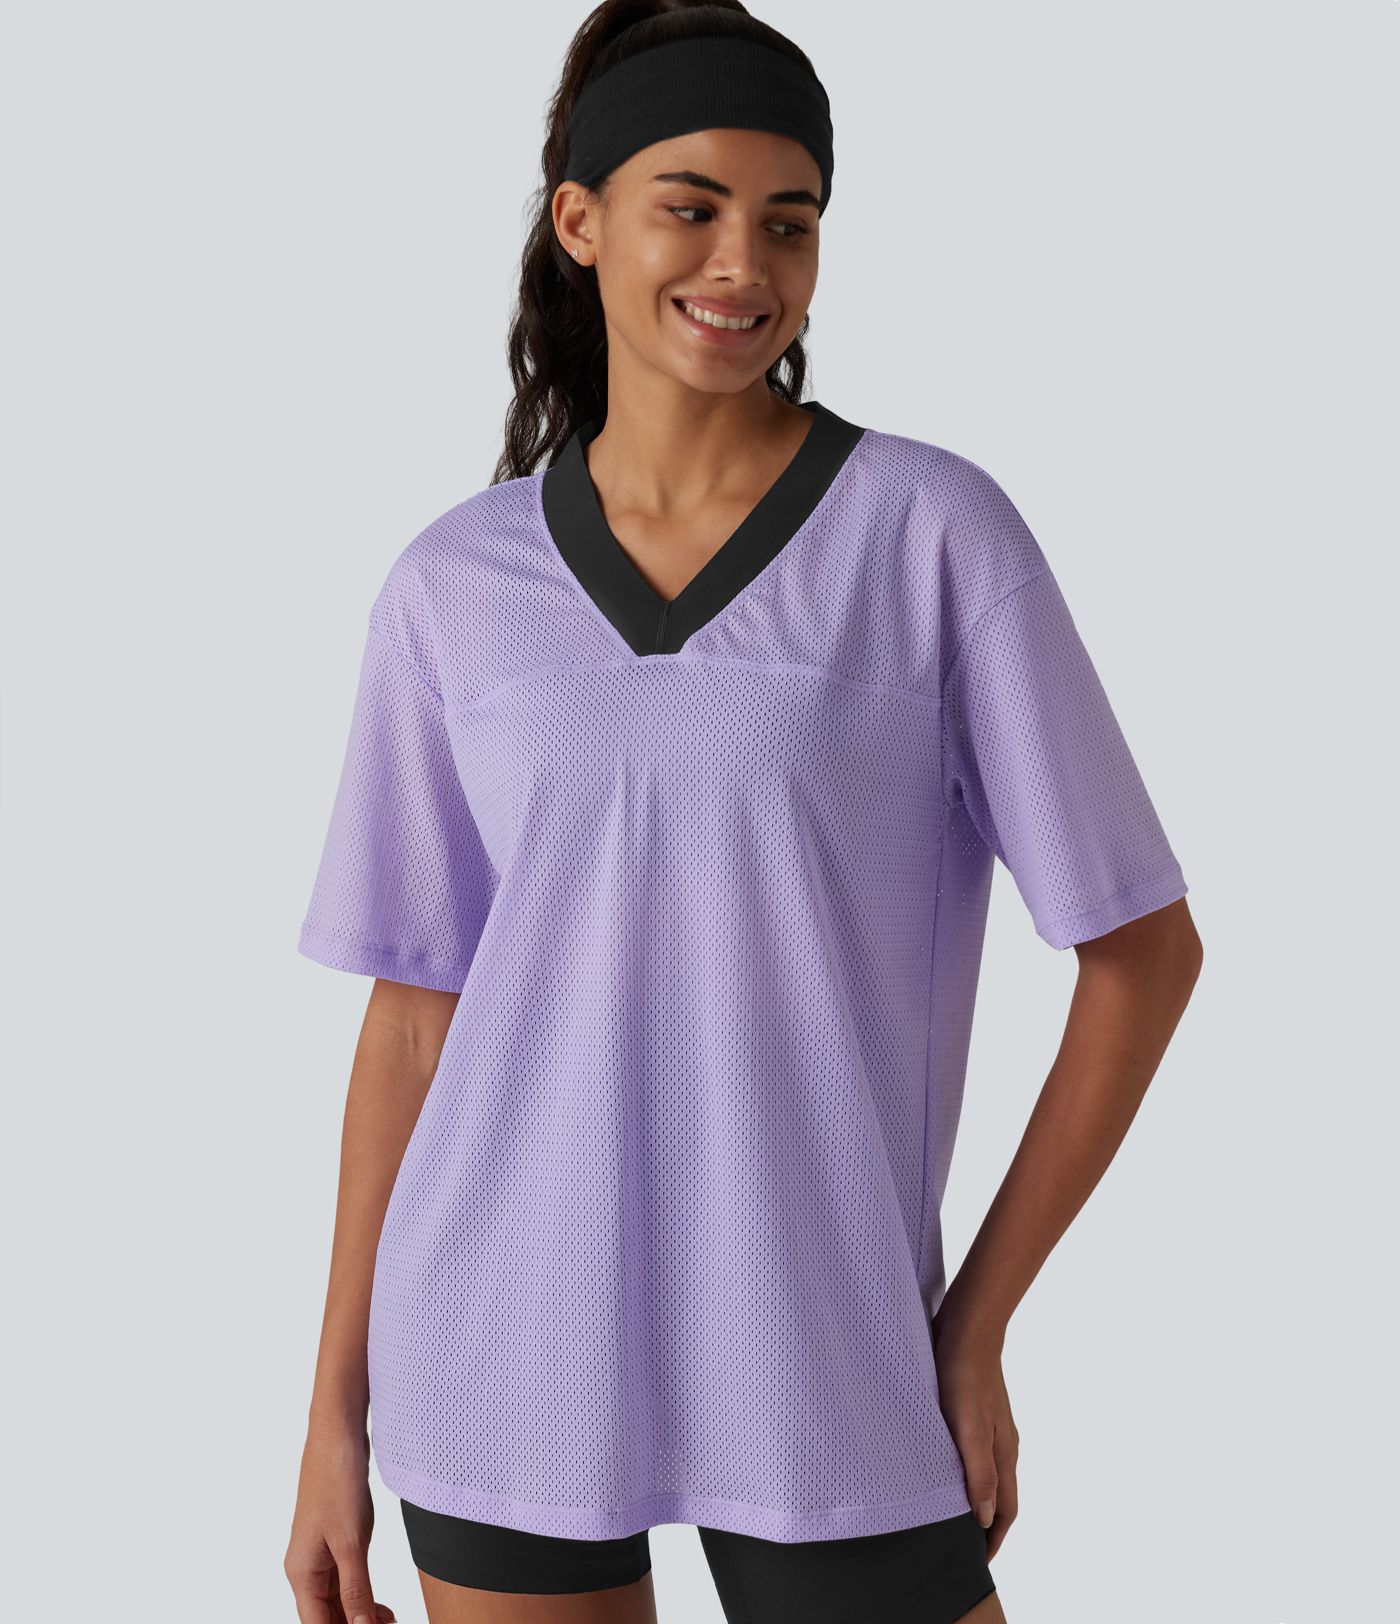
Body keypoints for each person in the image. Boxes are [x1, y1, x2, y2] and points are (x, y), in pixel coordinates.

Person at [282, 3, 1204, 1621]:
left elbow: (1143, 952)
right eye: (691, 206)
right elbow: (416, 1019)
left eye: (790, 220)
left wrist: (975, 1325)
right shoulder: (453, 588)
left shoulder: (932, 539)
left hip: (830, 1359)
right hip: (500, 1354)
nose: (743, 263)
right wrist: (328, 1417)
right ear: (581, 221)